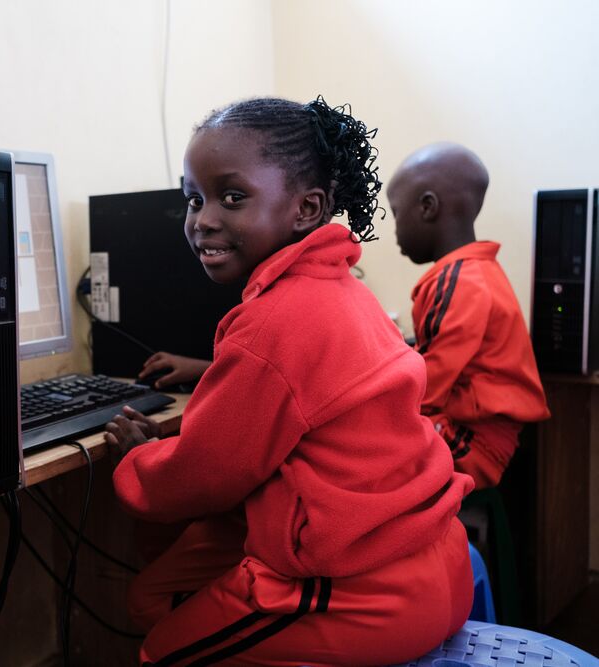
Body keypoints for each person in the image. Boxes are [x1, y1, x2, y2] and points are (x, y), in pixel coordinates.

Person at [103, 96, 474, 666]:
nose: (202, 218)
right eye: (193, 199)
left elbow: (206, 475)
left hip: (363, 592)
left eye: (231, 197)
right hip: (435, 561)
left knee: (162, 648)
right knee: (155, 594)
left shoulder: (275, 320)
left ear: (306, 209)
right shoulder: (343, 289)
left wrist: (141, 459)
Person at [387, 143, 550, 490]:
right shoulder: (477, 272)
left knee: (365, 440)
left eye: (397, 213)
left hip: (475, 444)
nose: (396, 229)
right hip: (484, 435)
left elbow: (427, 385)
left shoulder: (457, 280)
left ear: (428, 207)